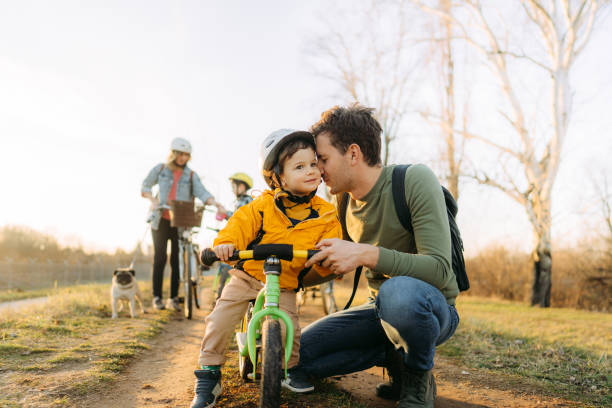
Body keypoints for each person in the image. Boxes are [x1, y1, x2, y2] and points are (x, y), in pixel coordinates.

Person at [293, 105, 460, 408]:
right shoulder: (343, 204)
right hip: (379, 311)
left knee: (399, 292)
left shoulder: (413, 180)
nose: (318, 170)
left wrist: (363, 253)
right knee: (294, 355)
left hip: (430, 308)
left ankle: (416, 380)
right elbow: (335, 262)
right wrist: (284, 280)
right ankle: (395, 356)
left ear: (353, 154)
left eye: (324, 160)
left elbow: (439, 270)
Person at [190, 129, 342, 408]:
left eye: (313, 164)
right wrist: (225, 244)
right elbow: (238, 225)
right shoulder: (261, 206)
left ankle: (290, 367)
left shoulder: (326, 213)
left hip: (284, 281)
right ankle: (209, 373)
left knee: (291, 329)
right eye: (299, 167)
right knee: (220, 318)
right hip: (248, 275)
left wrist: (329, 256)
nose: (311, 171)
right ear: (278, 177)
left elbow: (334, 242)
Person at [141, 137, 226, 312]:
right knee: (160, 258)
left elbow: (202, 192)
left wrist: (215, 203)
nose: (183, 158)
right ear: (173, 154)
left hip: (179, 220)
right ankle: (157, 297)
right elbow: (145, 186)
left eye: (187, 155)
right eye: (180, 154)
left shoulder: (191, 175)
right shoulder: (161, 169)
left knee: (175, 259)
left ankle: (173, 298)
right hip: (160, 219)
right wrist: (152, 201)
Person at [214, 172, 254, 300]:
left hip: (245, 244)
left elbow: (239, 220)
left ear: (242, 187)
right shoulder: (239, 201)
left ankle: (221, 296)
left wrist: (225, 213)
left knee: (227, 264)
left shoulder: (246, 201)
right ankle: (221, 294)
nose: (232, 189)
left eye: (234, 186)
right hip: (241, 241)